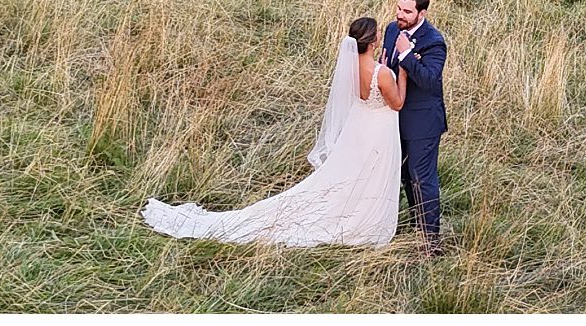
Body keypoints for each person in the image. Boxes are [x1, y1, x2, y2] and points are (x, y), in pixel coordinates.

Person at [141, 16, 402, 247]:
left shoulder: (351, 67)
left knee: (354, 172)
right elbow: (398, 102)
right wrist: (403, 71)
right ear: (372, 40)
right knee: (371, 173)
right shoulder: (382, 74)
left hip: (358, 127)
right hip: (377, 129)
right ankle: (364, 218)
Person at [381, 0, 448, 253]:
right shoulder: (390, 29)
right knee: (405, 176)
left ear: (421, 13)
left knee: (423, 178)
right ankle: (414, 222)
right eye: (399, 9)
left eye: (407, 12)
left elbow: (430, 80)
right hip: (394, 116)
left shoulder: (434, 41)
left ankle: (431, 239)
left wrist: (408, 55)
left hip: (423, 122)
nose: (400, 15)